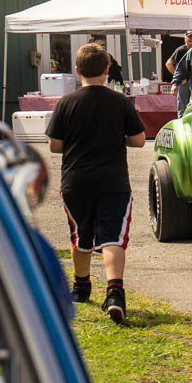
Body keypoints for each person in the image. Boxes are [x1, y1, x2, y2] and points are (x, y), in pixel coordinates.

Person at [46, 43, 146, 323]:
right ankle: (115, 293)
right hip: (113, 180)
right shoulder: (120, 102)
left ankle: (81, 286)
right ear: (107, 70)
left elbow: (55, 145)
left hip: (76, 181)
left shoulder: (66, 103)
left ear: (76, 71)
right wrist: (118, 139)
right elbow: (138, 140)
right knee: (112, 237)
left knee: (81, 237)